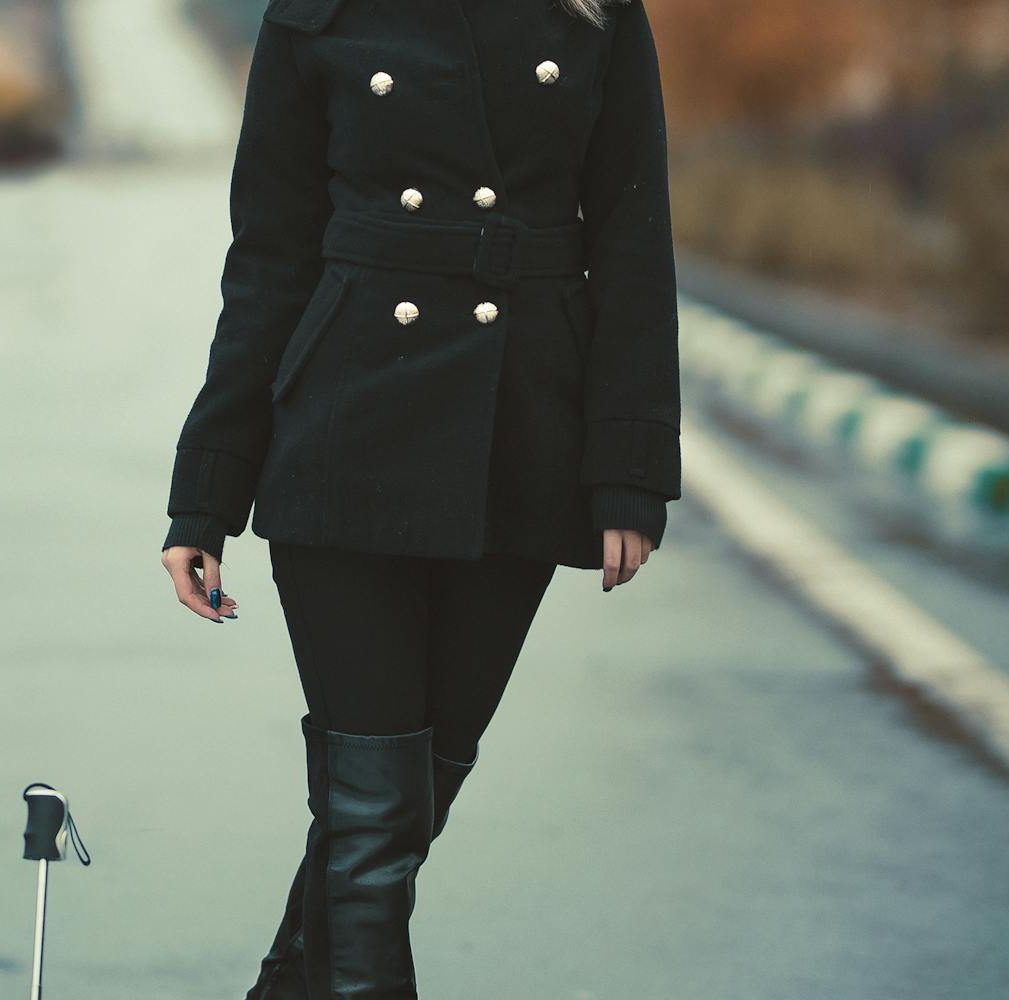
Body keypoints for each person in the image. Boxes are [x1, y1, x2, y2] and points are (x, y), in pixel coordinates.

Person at [159, 0, 681, 994]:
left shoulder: (595, 11)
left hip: (517, 434)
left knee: (402, 812)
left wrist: (629, 465)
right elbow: (269, 256)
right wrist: (206, 494)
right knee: (368, 827)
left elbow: (629, 232)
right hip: (345, 433)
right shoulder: (314, 12)